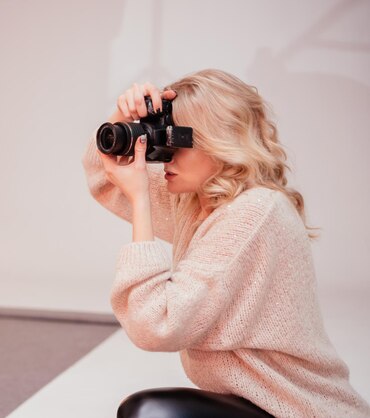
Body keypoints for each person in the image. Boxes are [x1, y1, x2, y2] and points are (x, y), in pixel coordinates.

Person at [82, 69, 370, 417]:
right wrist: (122, 119)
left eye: (176, 141)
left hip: (299, 411)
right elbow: (105, 177)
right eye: (159, 140)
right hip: (256, 404)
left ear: (222, 142)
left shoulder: (254, 212)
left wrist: (141, 200)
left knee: (148, 412)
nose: (164, 155)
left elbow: (157, 325)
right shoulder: (199, 199)